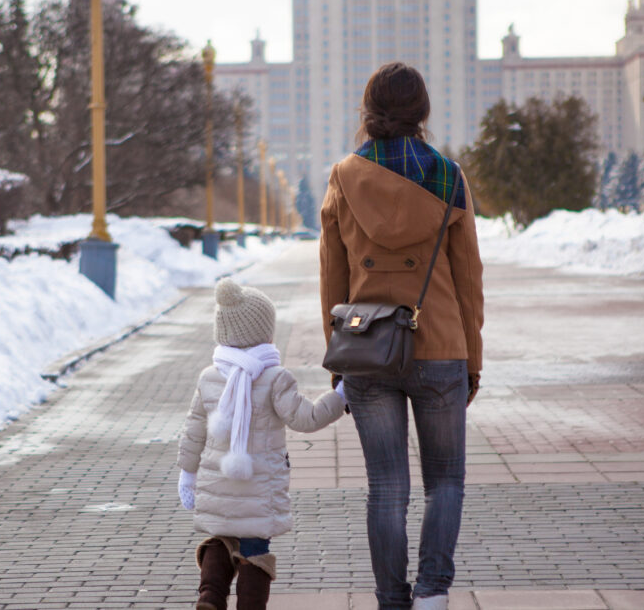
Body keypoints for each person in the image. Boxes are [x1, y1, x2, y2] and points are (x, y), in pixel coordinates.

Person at [318, 62, 484, 610]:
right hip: (440, 347)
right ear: (422, 113)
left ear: (369, 111)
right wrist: (472, 360)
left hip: (369, 350)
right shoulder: (448, 177)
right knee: (446, 483)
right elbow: (468, 281)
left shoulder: (344, 177)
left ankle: (392, 600)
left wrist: (338, 355)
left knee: (386, 488)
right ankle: (432, 593)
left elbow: (333, 278)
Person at [177, 278, 347, 610]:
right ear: (263, 334)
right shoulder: (274, 378)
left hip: (216, 484)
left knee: (219, 540)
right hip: (259, 488)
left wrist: (187, 474)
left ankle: (210, 597)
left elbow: (193, 429)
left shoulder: (209, 376)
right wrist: (340, 397)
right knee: (255, 550)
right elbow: (306, 418)